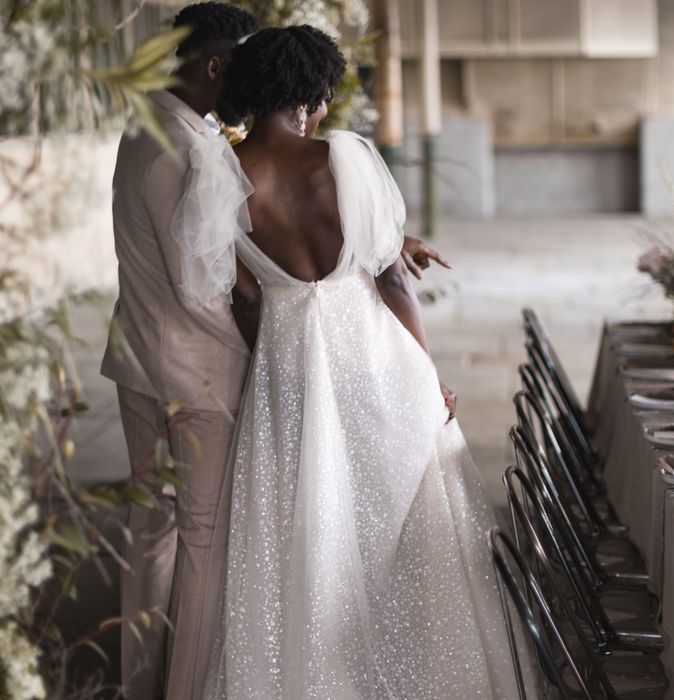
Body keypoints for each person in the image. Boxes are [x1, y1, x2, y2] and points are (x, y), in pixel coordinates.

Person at [101, 4, 450, 698]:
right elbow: (214, 288)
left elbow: (249, 262)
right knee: (211, 542)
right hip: (201, 373)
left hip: (142, 356)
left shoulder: (168, 140)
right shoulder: (207, 157)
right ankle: (183, 685)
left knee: (160, 532)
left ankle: (143, 679)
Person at [198, 26, 518, 699]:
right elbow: (393, 282)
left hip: (284, 364)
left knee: (310, 533)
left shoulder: (221, 176)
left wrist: (274, 374)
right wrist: (427, 378)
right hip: (374, 363)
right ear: (314, 94)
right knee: (405, 529)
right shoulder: (342, 159)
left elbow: (243, 302)